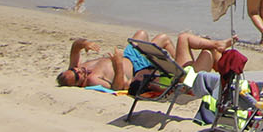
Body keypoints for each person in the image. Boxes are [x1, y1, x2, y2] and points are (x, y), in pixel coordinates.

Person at [57, 30, 231, 88]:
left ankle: (217, 48)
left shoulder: (81, 68)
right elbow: (120, 86)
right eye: (79, 75)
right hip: (178, 78)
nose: (80, 70)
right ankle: (218, 49)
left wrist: (84, 43)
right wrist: (117, 64)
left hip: (168, 70)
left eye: (75, 69)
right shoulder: (93, 80)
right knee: (204, 50)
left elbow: (75, 47)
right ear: (79, 84)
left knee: (142, 34)